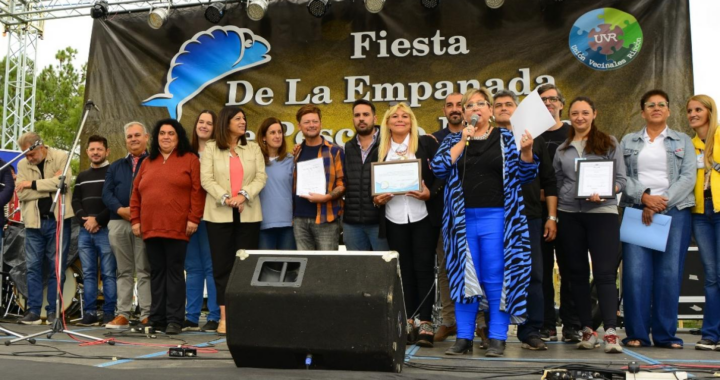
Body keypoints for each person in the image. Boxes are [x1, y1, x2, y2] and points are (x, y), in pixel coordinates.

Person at [431, 88, 536, 357]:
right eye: (469, 105)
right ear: (464, 112)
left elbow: (526, 174)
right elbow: (439, 168)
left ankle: (497, 338)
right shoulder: (455, 139)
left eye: (480, 104)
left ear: (490, 109)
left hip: (498, 218)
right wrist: (462, 140)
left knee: (494, 278)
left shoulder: (506, 138)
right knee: (464, 279)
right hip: (461, 221)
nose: (475, 108)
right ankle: (464, 339)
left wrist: (526, 152)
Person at [620, 89, 696, 348]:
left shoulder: (682, 139)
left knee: (669, 274)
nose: (656, 108)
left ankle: (665, 335)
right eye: (650, 105)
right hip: (637, 211)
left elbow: (688, 177)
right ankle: (637, 335)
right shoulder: (629, 140)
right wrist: (644, 198)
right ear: (642, 112)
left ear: (668, 111)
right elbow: (622, 177)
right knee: (635, 274)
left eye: (661, 104)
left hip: (674, 212)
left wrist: (660, 202)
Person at [554, 97, 625, 353]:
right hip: (570, 215)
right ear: (569, 116)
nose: (580, 117)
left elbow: (621, 180)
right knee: (577, 275)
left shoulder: (609, 142)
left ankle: (611, 333)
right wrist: (568, 197)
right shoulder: (562, 149)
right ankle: (587, 330)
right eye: (575, 113)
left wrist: (607, 191)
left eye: (585, 112)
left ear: (595, 114)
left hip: (603, 213)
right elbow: (558, 181)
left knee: (606, 274)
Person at [372, 102, 441, 348]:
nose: (400, 119)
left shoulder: (426, 144)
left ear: (411, 120)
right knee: (405, 271)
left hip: (422, 216)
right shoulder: (379, 150)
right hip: (393, 218)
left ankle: (425, 323)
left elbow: (443, 176)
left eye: (405, 116)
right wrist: (376, 199)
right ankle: (409, 321)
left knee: (423, 269)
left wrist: (429, 194)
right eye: (394, 116)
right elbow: (372, 185)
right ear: (387, 122)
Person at [493, 90, 557, 351]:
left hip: (529, 215)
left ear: (517, 109)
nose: (504, 108)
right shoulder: (482, 139)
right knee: (493, 274)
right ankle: (490, 330)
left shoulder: (534, 138)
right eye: (498, 105)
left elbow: (549, 181)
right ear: (491, 110)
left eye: (509, 104)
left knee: (534, 275)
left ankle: (531, 330)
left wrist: (551, 216)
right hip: (494, 216)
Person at [130, 119, 204, 335]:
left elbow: (197, 192)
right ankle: (157, 319)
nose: (166, 137)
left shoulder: (190, 159)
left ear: (178, 136)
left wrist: (193, 218)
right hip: (151, 228)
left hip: (178, 227)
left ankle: (174, 320)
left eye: (171, 133)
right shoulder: (147, 162)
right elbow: (135, 194)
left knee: (174, 273)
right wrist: (135, 220)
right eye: (162, 133)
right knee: (156, 273)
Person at [201, 106, 266, 335]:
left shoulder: (254, 148)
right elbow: (206, 179)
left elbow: (261, 177)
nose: (243, 121)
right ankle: (225, 318)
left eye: (244, 118)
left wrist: (243, 195)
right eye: (238, 118)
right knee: (222, 267)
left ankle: (244, 316)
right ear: (226, 122)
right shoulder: (210, 148)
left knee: (246, 266)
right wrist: (227, 198)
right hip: (219, 216)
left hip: (248, 214)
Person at [432, 92, 488, 344]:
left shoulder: (488, 137)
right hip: (448, 214)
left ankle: (481, 324)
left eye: (460, 105)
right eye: (451, 106)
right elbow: (436, 172)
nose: (456, 109)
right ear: (444, 111)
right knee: (448, 268)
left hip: (482, 213)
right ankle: (449, 320)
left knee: (480, 269)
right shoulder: (436, 139)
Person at [536, 83, 581, 343]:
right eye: (542, 100)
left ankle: (572, 325)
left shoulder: (573, 133)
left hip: (569, 210)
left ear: (562, 104)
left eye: (553, 99)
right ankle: (546, 324)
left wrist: (554, 193)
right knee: (540, 271)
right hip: (537, 212)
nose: (548, 103)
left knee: (571, 269)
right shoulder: (529, 135)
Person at [16, 132, 74, 325]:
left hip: (57, 221)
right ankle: (33, 311)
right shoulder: (22, 165)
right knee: (32, 267)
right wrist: (51, 185)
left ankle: (53, 311)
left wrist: (31, 184)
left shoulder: (61, 157)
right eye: (25, 155)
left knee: (56, 268)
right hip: (34, 223)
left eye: (31, 154)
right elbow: (21, 195)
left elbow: (64, 182)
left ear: (40, 146)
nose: (29, 159)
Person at [103, 121, 152, 329]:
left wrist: (139, 213)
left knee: (144, 269)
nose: (133, 139)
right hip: (118, 222)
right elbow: (106, 193)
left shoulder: (155, 162)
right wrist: (121, 210)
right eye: (130, 136)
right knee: (123, 271)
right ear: (125, 141)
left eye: (137, 135)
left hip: (145, 223)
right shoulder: (115, 166)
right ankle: (123, 314)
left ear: (146, 137)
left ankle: (147, 314)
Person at [71, 135, 117, 326]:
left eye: (99, 149)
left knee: (108, 273)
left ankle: (109, 314)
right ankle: (89, 313)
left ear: (107, 151)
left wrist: (97, 220)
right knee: (88, 274)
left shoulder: (113, 173)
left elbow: (116, 200)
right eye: (92, 149)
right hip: (85, 231)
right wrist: (86, 222)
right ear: (87, 152)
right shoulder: (82, 176)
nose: (95, 152)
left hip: (106, 229)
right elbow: (75, 201)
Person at [688, 94, 720, 351]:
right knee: (710, 276)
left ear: (710, 111)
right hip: (701, 214)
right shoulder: (691, 144)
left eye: (698, 109)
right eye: (689, 111)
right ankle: (711, 334)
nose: (693, 114)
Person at [184, 110, 221, 332]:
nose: (204, 126)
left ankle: (215, 316)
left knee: (211, 266)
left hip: (213, 215)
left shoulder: (220, 152)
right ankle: (191, 316)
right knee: (193, 267)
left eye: (209, 123)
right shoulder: (185, 154)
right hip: (188, 218)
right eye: (201, 122)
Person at [292, 105, 345, 250]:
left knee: (327, 266)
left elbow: (343, 183)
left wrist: (326, 197)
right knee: (305, 266)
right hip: (299, 219)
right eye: (307, 122)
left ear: (320, 123)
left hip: (326, 218)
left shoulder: (334, 150)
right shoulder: (296, 152)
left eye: (315, 121)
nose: (311, 125)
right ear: (299, 126)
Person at [342, 99, 388, 251]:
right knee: (357, 272)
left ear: (375, 118)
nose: (361, 118)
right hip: (352, 223)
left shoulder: (388, 144)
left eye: (366, 114)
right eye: (357, 115)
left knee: (383, 270)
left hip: (380, 223)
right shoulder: (348, 147)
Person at [257, 117, 296, 250]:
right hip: (263, 223)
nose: (277, 136)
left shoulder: (291, 160)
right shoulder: (255, 162)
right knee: (265, 268)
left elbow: (296, 191)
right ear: (263, 137)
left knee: (286, 267)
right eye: (272, 133)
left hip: (288, 223)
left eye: (280, 132)